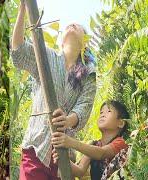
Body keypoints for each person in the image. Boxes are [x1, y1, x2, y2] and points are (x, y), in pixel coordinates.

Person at [11, 1, 96, 179]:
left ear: (84, 45)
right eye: (69, 26)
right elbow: (19, 51)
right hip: (37, 147)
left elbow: (84, 107)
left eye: (79, 27)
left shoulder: (88, 74)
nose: (73, 25)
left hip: (63, 156)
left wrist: (67, 120)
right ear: (62, 39)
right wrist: (22, 11)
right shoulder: (47, 56)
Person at [52, 100, 130, 179]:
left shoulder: (121, 143)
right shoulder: (93, 145)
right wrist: (63, 158)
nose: (102, 115)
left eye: (109, 111)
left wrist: (71, 142)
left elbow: (102, 153)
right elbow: (80, 171)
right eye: (101, 113)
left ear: (121, 123)